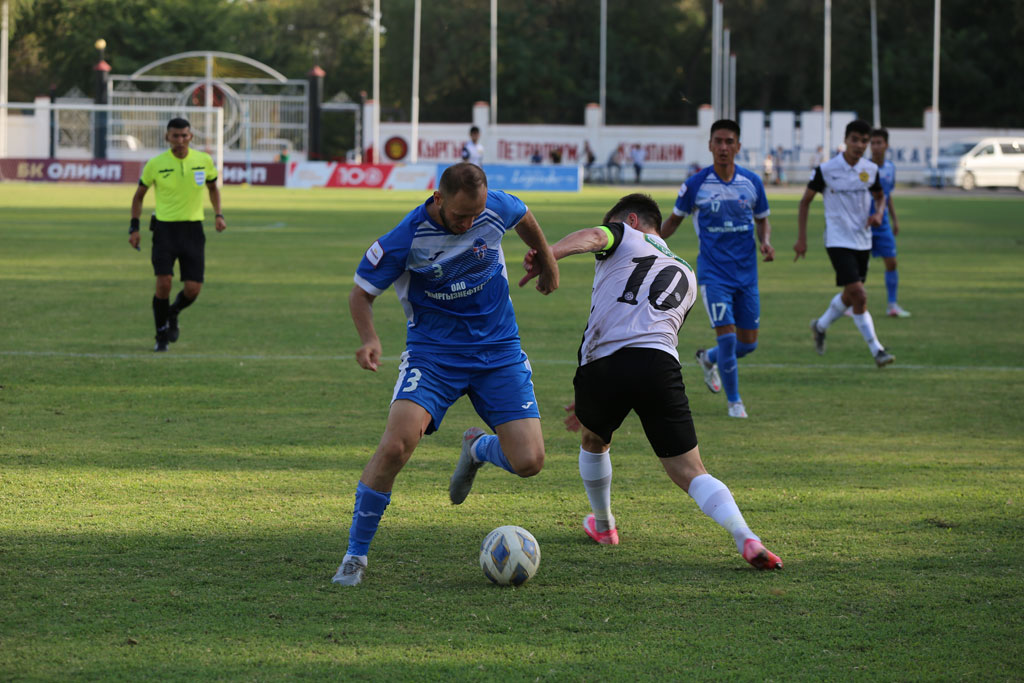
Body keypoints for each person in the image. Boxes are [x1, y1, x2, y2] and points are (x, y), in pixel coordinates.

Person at [520, 193, 782, 571]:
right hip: (660, 364)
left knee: (594, 440)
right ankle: (746, 535)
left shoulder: (625, 235)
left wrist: (548, 254)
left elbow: (593, 236)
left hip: (604, 363)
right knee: (691, 471)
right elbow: (654, 333)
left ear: (630, 220)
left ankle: (604, 526)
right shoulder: (687, 274)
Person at [333, 162, 560, 587]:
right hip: (434, 356)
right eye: (460, 216)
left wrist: (548, 261)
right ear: (438, 199)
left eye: (476, 215)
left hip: (498, 351)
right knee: (395, 446)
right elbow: (361, 293)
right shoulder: (405, 238)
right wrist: (369, 339)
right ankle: (355, 555)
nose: (469, 223)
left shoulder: (495, 207)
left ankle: (477, 449)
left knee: (530, 462)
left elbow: (524, 214)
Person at [660, 119, 774, 419]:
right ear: (710, 145)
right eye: (718, 141)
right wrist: (647, 243)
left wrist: (765, 242)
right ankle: (735, 403)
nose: (724, 147)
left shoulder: (752, 182)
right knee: (727, 338)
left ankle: (708, 358)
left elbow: (762, 219)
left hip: (747, 275)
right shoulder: (696, 185)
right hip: (714, 275)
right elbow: (673, 221)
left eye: (729, 142)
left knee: (747, 344)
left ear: (738, 146)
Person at [795, 119, 895, 367]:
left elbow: (880, 196)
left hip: (863, 240)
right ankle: (877, 350)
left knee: (851, 295)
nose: (860, 145)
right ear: (846, 140)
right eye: (855, 140)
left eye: (864, 141)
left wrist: (879, 213)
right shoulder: (826, 170)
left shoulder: (870, 170)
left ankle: (820, 326)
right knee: (859, 295)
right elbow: (805, 202)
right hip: (838, 240)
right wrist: (802, 239)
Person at [129, 117, 226, 352]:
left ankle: (172, 312)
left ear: (190, 136)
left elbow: (213, 188)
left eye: (184, 135)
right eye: (175, 136)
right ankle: (161, 335)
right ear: (167, 137)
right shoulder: (155, 164)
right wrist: (134, 227)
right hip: (165, 230)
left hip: (193, 230)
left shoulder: (203, 161)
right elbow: (139, 196)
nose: (180, 140)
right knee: (164, 283)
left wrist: (218, 214)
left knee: (193, 289)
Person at [867, 128, 910, 318]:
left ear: (886, 145)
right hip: (863, 223)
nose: (875, 147)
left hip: (882, 223)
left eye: (879, 143)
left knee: (892, 262)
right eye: (873, 143)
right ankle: (851, 304)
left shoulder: (890, 168)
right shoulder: (863, 168)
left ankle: (892, 305)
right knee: (859, 266)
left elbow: (887, 195)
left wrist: (895, 219)